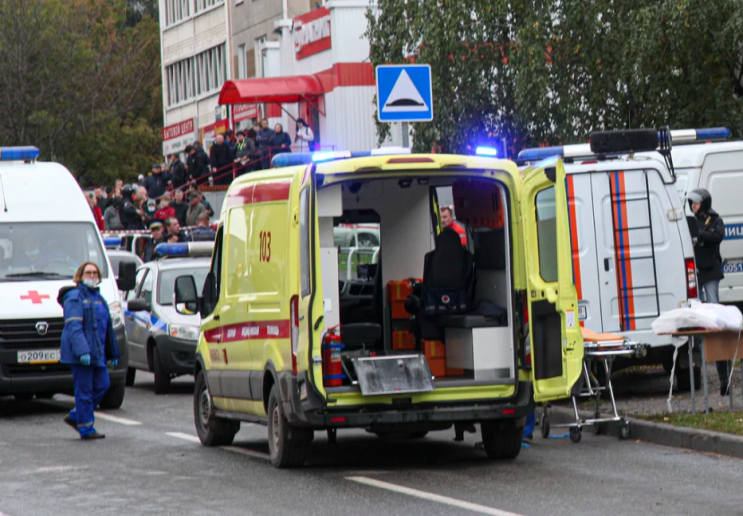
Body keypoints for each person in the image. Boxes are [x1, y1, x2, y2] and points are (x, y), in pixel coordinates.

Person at [58, 262, 120, 440]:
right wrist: (82, 351)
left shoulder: (98, 298)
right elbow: (73, 327)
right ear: (80, 275)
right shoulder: (74, 296)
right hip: (82, 355)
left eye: (95, 273)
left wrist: (113, 352)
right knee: (84, 391)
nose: (92, 276)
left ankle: (78, 415)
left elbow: (107, 328)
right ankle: (85, 428)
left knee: (103, 384)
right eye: (88, 273)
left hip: (97, 352)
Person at [688, 188, 728, 395]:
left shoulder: (715, 219)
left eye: (696, 203)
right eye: (691, 203)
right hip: (695, 273)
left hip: (710, 272)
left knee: (715, 314)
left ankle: (724, 375)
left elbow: (717, 235)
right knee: (696, 315)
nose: (693, 206)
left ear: (703, 203)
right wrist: (700, 237)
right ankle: (694, 369)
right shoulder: (689, 221)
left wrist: (701, 236)